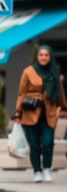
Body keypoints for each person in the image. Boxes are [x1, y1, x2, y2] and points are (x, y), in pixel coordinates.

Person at [14, 45, 67, 183]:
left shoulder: (54, 72)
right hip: (30, 112)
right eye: (41, 55)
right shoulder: (28, 71)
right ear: (37, 57)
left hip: (49, 112)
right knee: (34, 144)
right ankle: (37, 171)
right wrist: (18, 112)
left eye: (46, 55)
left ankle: (47, 169)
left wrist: (64, 107)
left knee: (48, 142)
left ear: (50, 57)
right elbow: (22, 93)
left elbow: (60, 92)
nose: (43, 57)